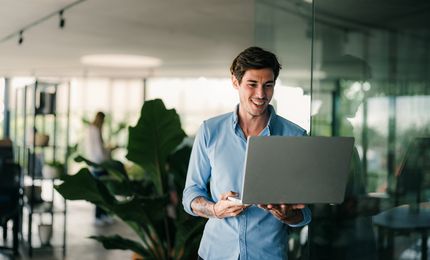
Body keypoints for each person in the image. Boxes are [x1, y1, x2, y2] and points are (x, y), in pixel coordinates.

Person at [182, 47, 312, 260]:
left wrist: (288, 215)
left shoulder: (295, 136)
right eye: (252, 84)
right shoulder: (209, 131)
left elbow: (305, 213)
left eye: (268, 85)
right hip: (215, 253)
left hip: (268, 254)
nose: (261, 94)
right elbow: (191, 194)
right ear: (235, 82)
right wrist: (215, 210)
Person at [84, 111, 114, 226]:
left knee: (102, 190)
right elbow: (99, 152)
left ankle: (103, 215)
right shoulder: (95, 131)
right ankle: (99, 215)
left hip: (95, 163)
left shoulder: (90, 130)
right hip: (99, 164)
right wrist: (109, 152)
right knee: (102, 191)